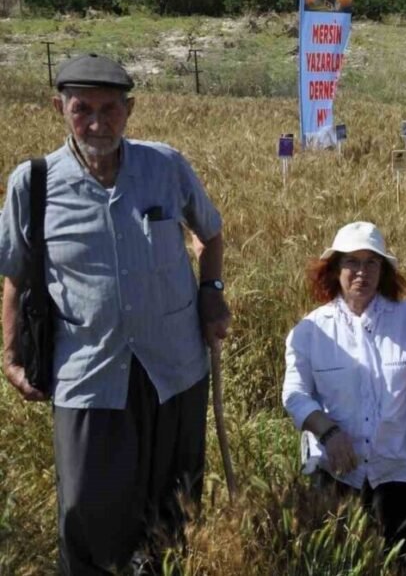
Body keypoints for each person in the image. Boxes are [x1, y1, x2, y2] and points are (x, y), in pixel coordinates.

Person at [0, 53, 230, 574]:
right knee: (88, 511)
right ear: (59, 108)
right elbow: (15, 276)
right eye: (82, 110)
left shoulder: (165, 166)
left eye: (110, 109)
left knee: (174, 506)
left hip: (174, 368)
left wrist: (212, 290)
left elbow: (211, 233)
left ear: (130, 109)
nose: (97, 124)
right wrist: (11, 356)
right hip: (88, 373)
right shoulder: (33, 184)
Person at [282, 222, 406, 575]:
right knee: (341, 562)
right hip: (337, 472)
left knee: (402, 562)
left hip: (398, 468)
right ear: (335, 269)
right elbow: (295, 394)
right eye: (351, 262)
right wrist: (328, 433)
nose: (361, 272)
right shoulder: (311, 330)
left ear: (383, 271)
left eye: (371, 263)